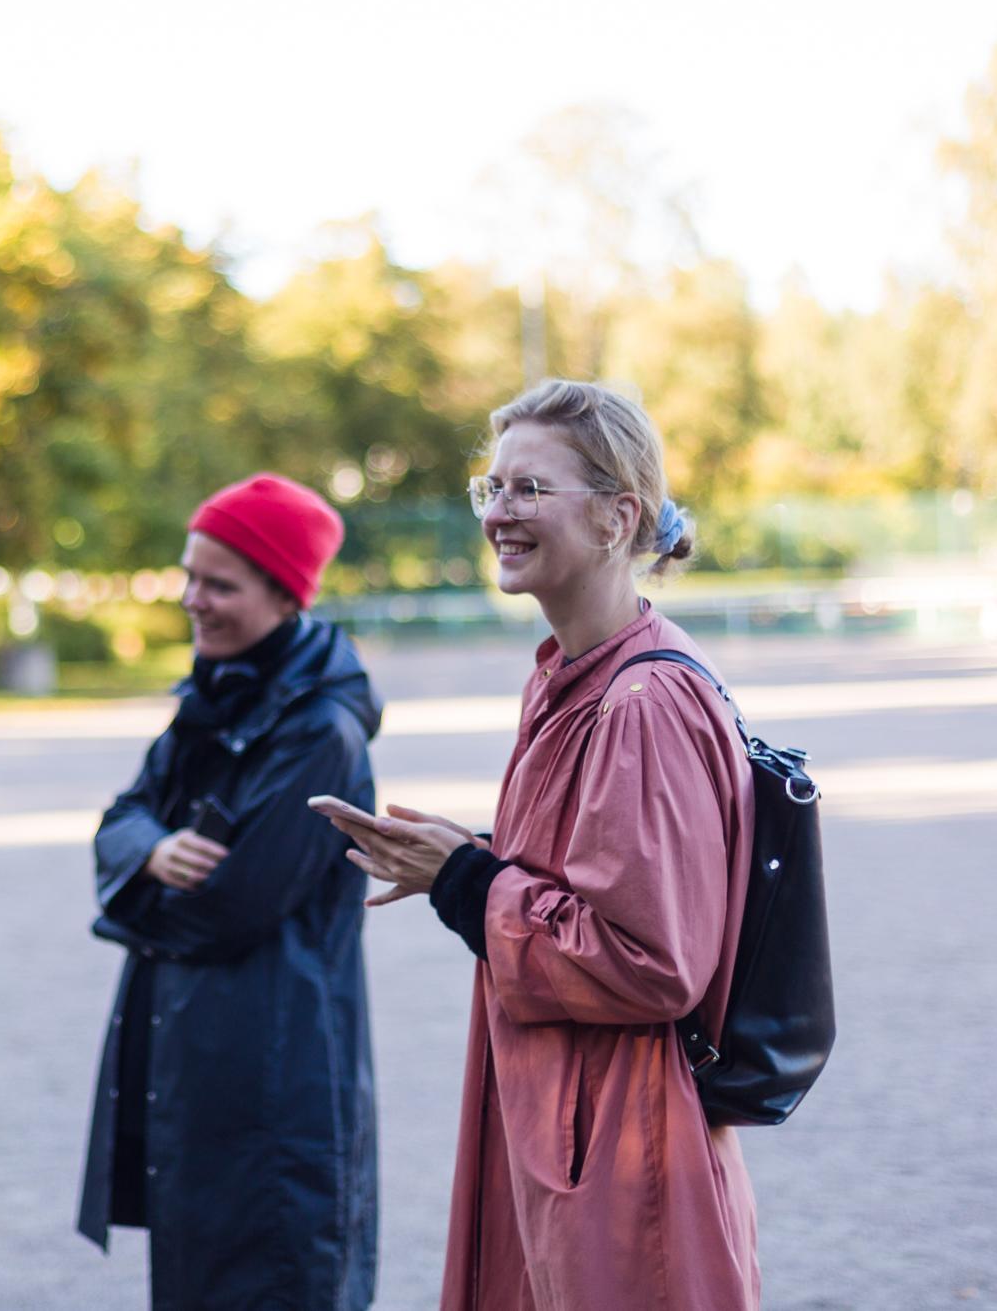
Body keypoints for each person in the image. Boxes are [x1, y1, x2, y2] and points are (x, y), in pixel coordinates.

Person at [316, 380, 762, 1311]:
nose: (499, 513)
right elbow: (599, 872)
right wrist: (463, 857)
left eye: (529, 489)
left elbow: (652, 959)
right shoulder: (572, 676)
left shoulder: (643, 703)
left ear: (616, 517)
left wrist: (471, 882)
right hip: (564, 1123)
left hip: (618, 1143)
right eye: (493, 489)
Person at [79, 473, 382, 1311]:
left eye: (219, 584)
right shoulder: (213, 697)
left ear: (285, 596)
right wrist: (153, 848)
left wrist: (138, 875)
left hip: (276, 1082)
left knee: (275, 1279)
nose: (193, 601)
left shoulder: (320, 730)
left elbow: (227, 904)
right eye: (189, 576)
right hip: (198, 1070)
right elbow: (120, 817)